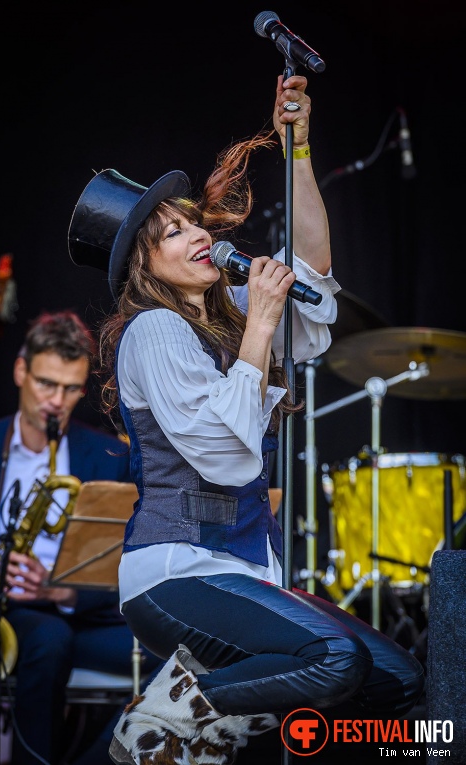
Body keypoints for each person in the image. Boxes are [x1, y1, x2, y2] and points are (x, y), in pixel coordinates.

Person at [67, 74, 425, 765]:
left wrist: (298, 148)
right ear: (147, 267)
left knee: (398, 680)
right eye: (171, 233)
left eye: (190, 219)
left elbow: (315, 270)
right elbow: (224, 456)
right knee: (334, 656)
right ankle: (155, 725)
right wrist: (261, 320)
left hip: (244, 570)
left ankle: (199, 720)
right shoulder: (154, 332)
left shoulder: (231, 308)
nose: (196, 232)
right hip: (173, 570)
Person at [0, 310, 162, 765]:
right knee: (49, 639)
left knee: (169, 651)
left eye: (71, 389)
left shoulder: (108, 456)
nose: (56, 401)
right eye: (46, 384)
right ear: (20, 371)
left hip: (78, 613)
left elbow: (123, 559)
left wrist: (63, 589)